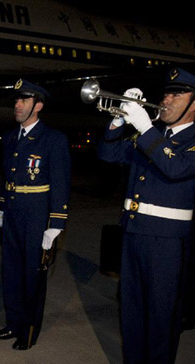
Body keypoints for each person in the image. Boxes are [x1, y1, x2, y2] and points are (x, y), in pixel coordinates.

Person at [98, 67, 195, 364]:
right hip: (134, 233)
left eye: (177, 94)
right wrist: (119, 119)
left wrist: (144, 127)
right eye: (166, 92)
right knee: (132, 313)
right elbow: (108, 154)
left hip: (167, 243)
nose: (166, 99)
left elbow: (176, 168)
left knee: (161, 319)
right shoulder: (151, 136)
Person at [0, 79, 71, 350]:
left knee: (32, 276)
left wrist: (56, 223)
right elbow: (7, 176)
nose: (17, 105)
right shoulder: (11, 137)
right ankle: (13, 323)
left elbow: (60, 182)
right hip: (13, 215)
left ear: (38, 106)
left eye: (23, 101)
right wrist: (2, 208)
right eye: (16, 100)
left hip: (37, 217)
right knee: (11, 272)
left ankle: (29, 331)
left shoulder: (53, 139)